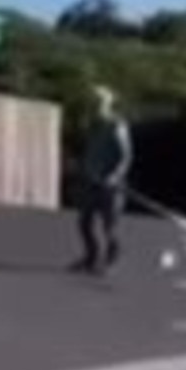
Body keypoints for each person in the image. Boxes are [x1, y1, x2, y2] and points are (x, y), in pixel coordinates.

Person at [71, 86, 134, 276]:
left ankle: (111, 260)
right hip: (90, 182)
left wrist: (114, 176)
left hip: (110, 186)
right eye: (92, 102)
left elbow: (126, 155)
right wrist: (80, 168)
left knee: (109, 226)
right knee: (84, 223)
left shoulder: (117, 125)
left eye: (99, 102)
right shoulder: (91, 125)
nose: (95, 106)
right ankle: (91, 257)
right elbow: (87, 152)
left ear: (108, 104)